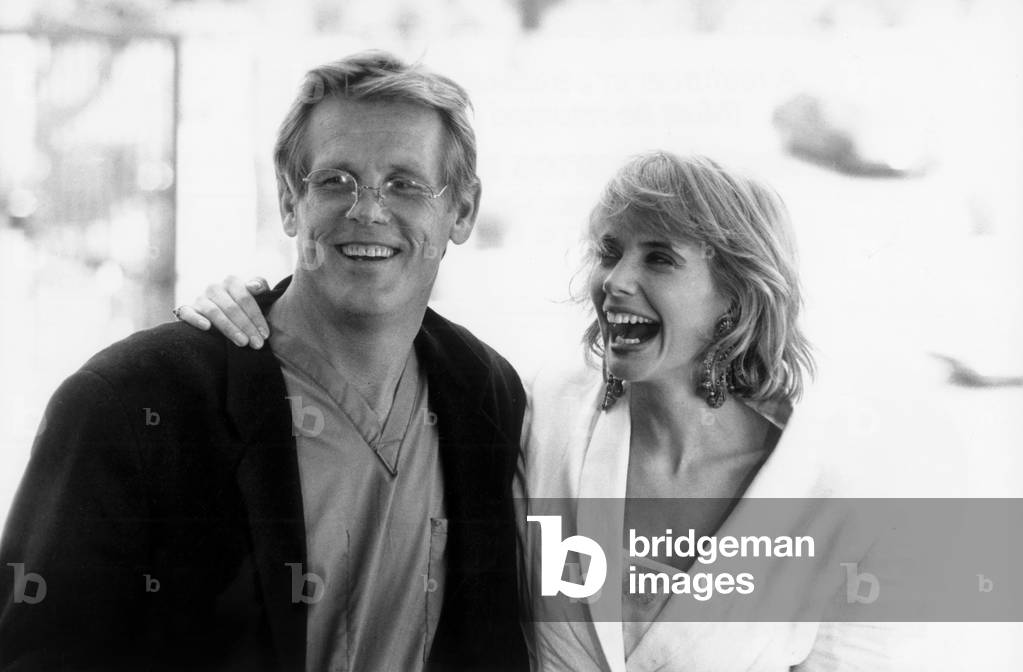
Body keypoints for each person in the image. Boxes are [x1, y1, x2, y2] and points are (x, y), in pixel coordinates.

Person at [181, 152, 926, 670]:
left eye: (659, 258)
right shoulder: (542, 414)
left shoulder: (840, 499)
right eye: (609, 251)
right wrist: (257, 309)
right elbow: (376, 378)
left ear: (736, 291)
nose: (616, 281)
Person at [0, 51, 528, 672]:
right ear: (287, 201)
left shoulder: (486, 396)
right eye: (335, 180)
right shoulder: (135, 402)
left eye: (405, 184)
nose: (368, 209)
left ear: (460, 212)